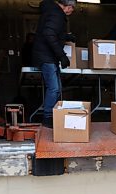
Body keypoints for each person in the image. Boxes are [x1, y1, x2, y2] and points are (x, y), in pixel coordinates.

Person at [32, 0, 76, 128]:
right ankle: (47, 117)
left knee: (57, 88)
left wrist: (66, 37)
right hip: (47, 57)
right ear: (68, 7)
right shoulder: (57, 14)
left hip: (47, 56)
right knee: (54, 88)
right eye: (72, 9)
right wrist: (62, 56)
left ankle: (51, 115)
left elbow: (51, 32)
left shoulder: (51, 11)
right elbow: (49, 33)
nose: (71, 12)